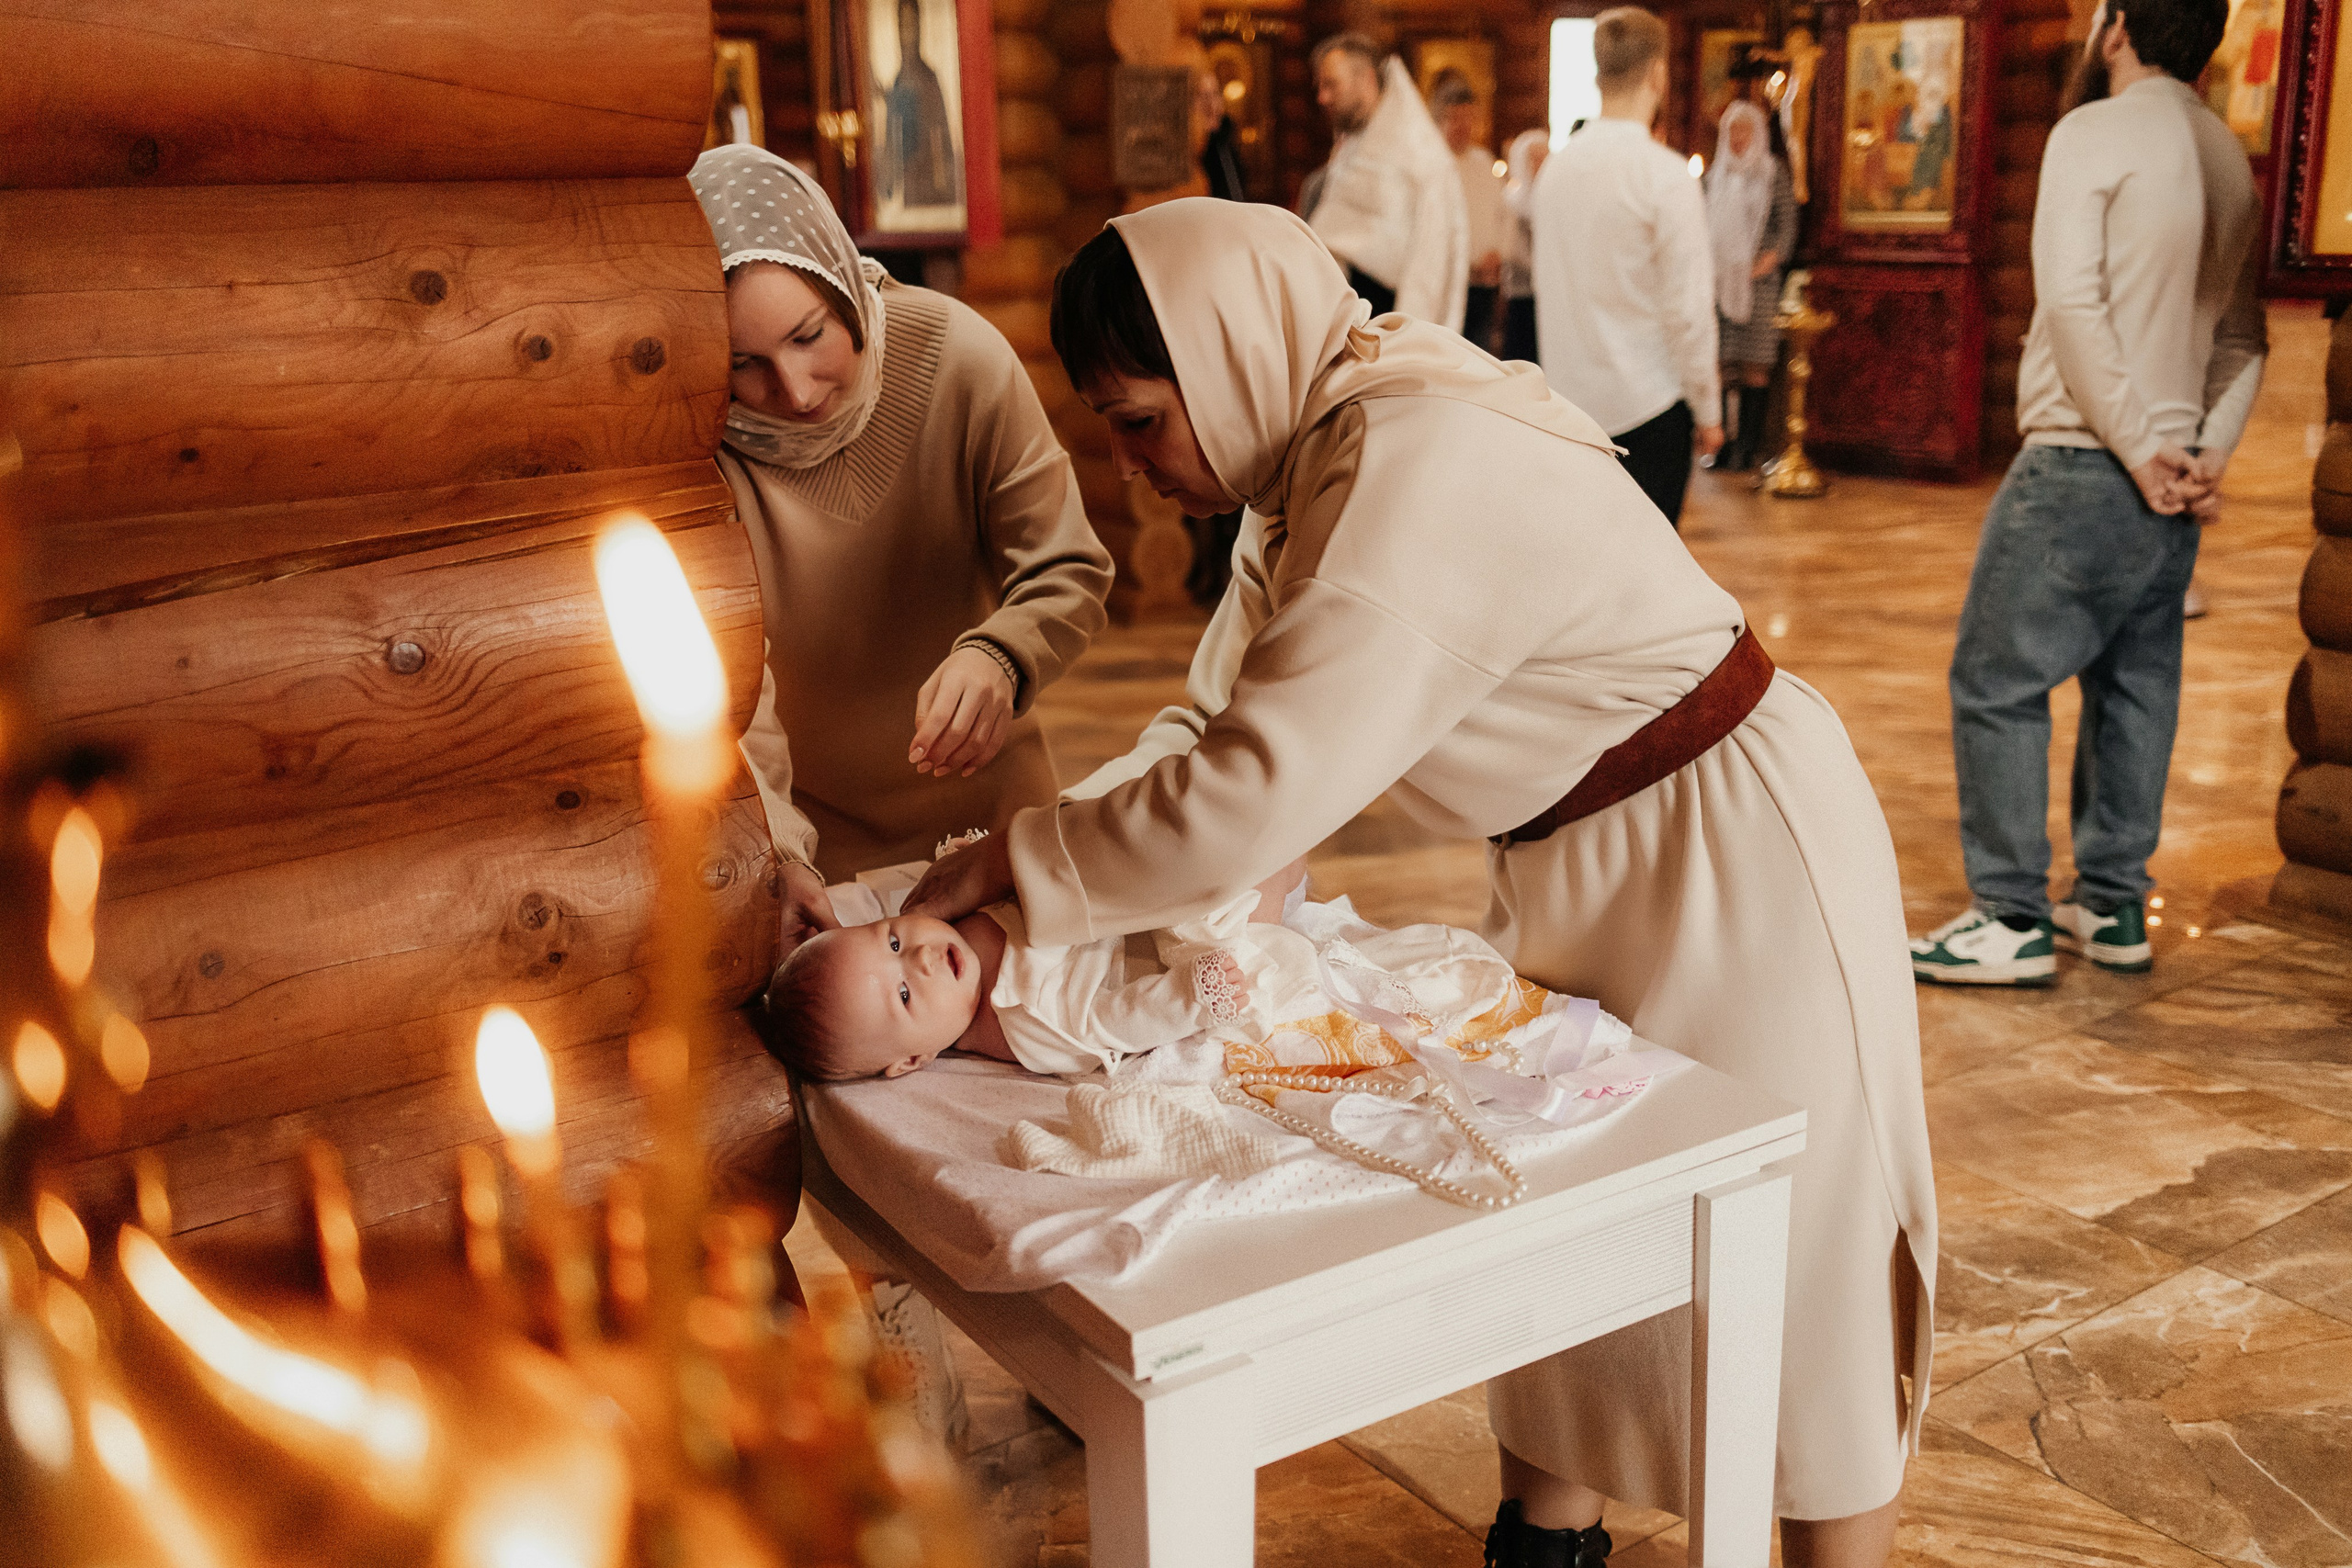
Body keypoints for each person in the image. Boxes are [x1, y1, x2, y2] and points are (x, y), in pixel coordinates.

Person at [904, 199, 1936, 1568]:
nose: (1125, 459)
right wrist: (1025, 858)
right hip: (1577, 857)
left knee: (1796, 1244)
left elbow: (1253, 791)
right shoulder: (1311, 462)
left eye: (1141, 417)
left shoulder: (1412, 451)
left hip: (1732, 843)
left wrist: (1019, 868)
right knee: (1574, 1205)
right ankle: (1549, 1538)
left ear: (1229, 358)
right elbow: (1204, 728)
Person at [1911, 0, 2261, 987]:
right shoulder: (2227, 155)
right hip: (2169, 484)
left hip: (2081, 461)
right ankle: (2110, 908)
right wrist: (2200, 455)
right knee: (2135, 688)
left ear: (2114, 28)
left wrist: (2143, 445)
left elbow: (2069, 303)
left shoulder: (2089, 130)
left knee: (1994, 682)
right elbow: (2243, 341)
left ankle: (2010, 916)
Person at [688, 143, 1114, 948]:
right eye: (745, 365)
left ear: (842, 280)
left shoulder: (958, 358)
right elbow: (738, 695)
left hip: (995, 827)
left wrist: (1003, 654)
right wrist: (778, 852)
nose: (795, 389)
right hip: (818, 850)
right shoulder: (704, 454)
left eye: (810, 336)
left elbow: (1069, 567)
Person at [1532, 6, 1722, 526]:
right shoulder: (1664, 176)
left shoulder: (1555, 172)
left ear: (1598, 75)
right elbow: (1688, 311)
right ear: (1658, 74)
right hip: (1649, 409)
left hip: (1570, 413)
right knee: (1651, 586)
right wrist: (1709, 411)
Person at [1300, 32, 1470, 329]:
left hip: (1390, 323)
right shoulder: (1353, 144)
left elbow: (1431, 266)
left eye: (1331, 84)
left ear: (1366, 79)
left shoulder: (1419, 153)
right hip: (1344, 318)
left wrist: (1411, 339)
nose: (1322, 97)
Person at [1705, 99, 1798, 471]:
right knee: (1724, 365)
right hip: (1718, 282)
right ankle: (1724, 444)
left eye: (1744, 131)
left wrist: (1762, 263)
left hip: (1758, 283)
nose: (1737, 138)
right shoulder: (1714, 176)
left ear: (1757, 133)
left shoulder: (1773, 173)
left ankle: (1749, 446)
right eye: (1731, 131)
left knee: (1753, 365)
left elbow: (1786, 228)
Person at [1431, 71, 1512, 352]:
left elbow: (1505, 215)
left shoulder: (1484, 162)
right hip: (1446, 285)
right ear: (1439, 120)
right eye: (1455, 118)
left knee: (1479, 356)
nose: (1463, 126)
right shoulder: (1431, 167)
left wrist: (1497, 252)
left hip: (1484, 285)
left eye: (1469, 118)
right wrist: (1466, 262)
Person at [878, 0, 959, 208]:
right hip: (907, 180)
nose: (908, 34)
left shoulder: (928, 78)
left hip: (930, 178)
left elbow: (942, 135)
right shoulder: (898, 79)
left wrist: (945, 184)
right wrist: (887, 180)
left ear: (920, 28)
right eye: (903, 26)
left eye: (912, 26)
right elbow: (892, 134)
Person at [1498, 129, 1549, 365]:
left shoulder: (1553, 197)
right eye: (1535, 157)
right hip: (1522, 292)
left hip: (1549, 295)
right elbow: (1509, 248)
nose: (1541, 163)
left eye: (1544, 156)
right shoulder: (1512, 199)